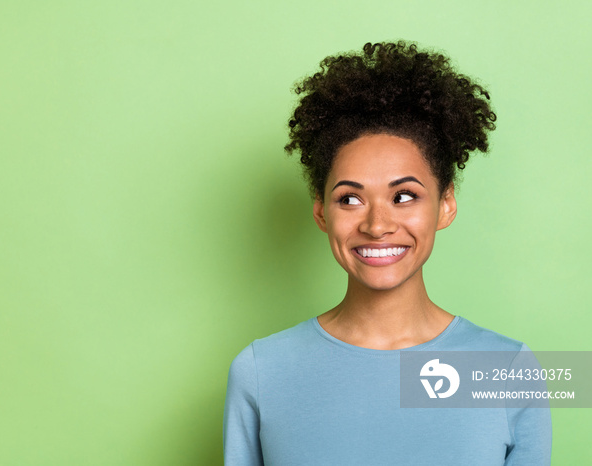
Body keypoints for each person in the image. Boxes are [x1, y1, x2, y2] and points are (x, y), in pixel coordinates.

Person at [223, 42, 552, 465]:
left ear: (446, 205)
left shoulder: (509, 370)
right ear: (321, 211)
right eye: (350, 200)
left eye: (404, 196)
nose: (377, 225)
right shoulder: (259, 371)